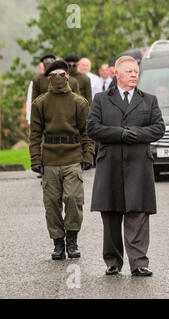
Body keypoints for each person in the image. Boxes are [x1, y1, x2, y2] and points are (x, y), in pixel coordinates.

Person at [86, 56, 165, 277]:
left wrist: (135, 134)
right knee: (110, 214)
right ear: (117, 74)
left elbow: (158, 128)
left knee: (138, 213)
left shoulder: (149, 100)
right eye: (129, 71)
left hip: (139, 166)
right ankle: (112, 261)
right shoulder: (101, 99)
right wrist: (119, 133)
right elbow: (92, 128)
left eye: (136, 72)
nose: (134, 75)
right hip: (109, 165)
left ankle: (139, 262)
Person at [29, 60, 94, 260]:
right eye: (54, 74)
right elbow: (35, 135)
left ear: (68, 76)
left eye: (61, 74)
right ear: (48, 77)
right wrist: (35, 159)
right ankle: (58, 242)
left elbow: (87, 133)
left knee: (74, 200)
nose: (58, 78)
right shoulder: (40, 103)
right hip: (49, 159)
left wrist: (88, 155)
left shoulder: (79, 103)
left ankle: (72, 240)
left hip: (72, 157)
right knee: (51, 203)